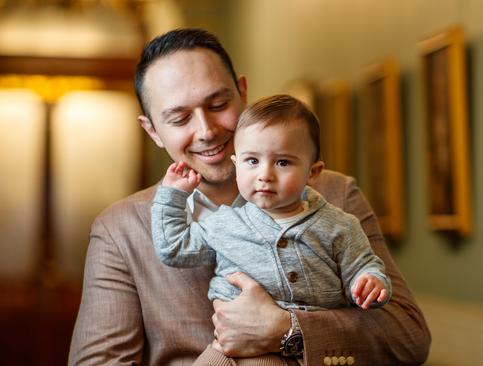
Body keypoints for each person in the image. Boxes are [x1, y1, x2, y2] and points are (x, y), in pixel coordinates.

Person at [68, 28, 430, 366]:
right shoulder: (119, 231)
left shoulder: (336, 195)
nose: (207, 131)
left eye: (218, 103)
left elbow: (408, 335)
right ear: (153, 131)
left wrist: (286, 331)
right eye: (179, 119)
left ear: (242, 93)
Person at [153, 94, 392, 364]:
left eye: (282, 162)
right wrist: (172, 196)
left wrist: (370, 282)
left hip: (301, 349)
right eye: (252, 161)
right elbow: (173, 249)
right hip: (226, 347)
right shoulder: (224, 224)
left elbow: (362, 266)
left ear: (313, 172)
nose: (264, 174)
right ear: (236, 165)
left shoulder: (339, 226)